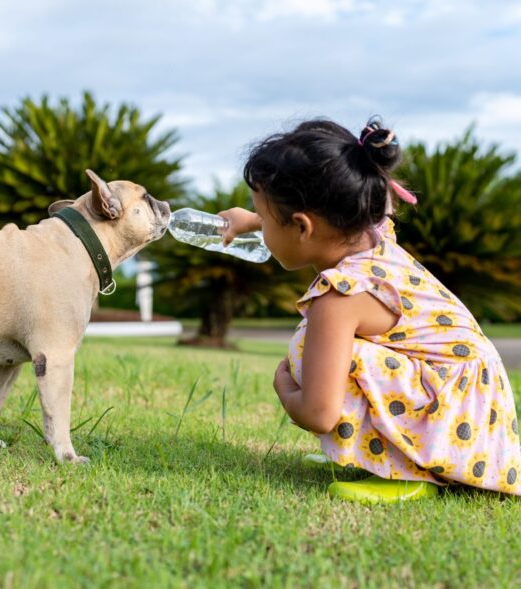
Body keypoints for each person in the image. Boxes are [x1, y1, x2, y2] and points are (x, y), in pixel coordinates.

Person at [219, 116, 521, 503]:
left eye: (263, 216)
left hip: (456, 420)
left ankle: (410, 472)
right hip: (474, 411)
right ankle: (387, 458)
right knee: (322, 350)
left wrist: (284, 386)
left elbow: (318, 412)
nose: (262, 230)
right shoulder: (373, 233)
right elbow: (318, 215)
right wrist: (251, 221)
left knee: (307, 353)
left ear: (301, 226)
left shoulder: (339, 297)